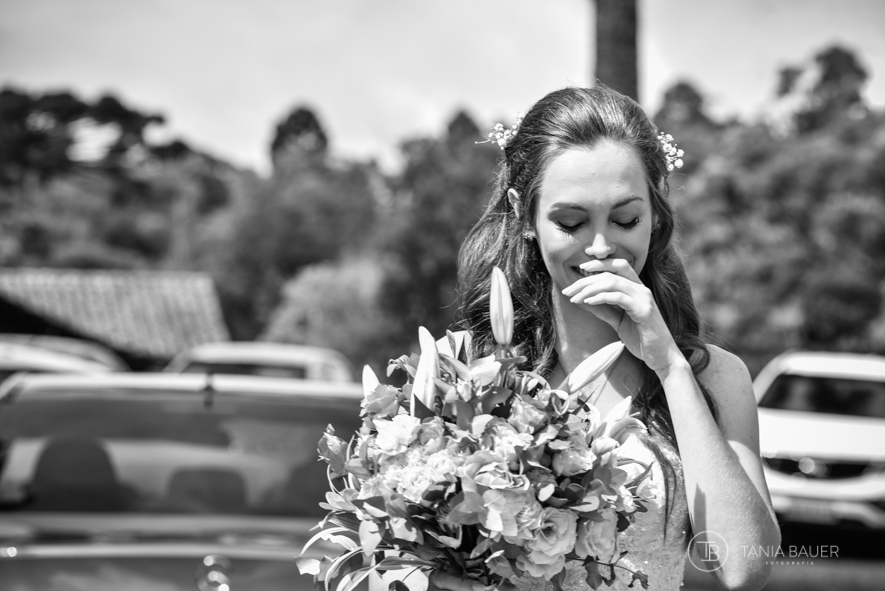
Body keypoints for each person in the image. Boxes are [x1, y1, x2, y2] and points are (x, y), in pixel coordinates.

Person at [431, 85, 781, 591]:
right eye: (571, 222)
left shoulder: (715, 377)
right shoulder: (463, 371)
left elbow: (743, 567)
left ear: (656, 212)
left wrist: (671, 369)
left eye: (625, 219)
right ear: (524, 215)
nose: (599, 246)